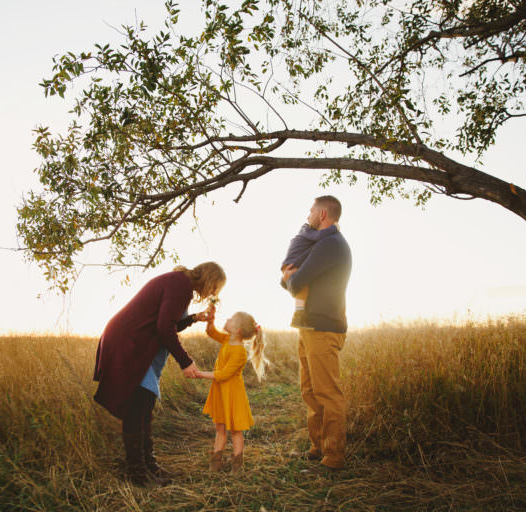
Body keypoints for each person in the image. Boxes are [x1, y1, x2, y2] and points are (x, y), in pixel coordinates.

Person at [93, 262, 226, 485]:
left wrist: (194, 318)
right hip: (130, 341)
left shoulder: (180, 284)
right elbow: (164, 327)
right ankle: (138, 474)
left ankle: (149, 467)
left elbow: (168, 323)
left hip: (136, 341)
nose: (212, 294)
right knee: (137, 408)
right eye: (215, 288)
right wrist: (186, 362)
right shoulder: (180, 284)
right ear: (210, 279)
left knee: (144, 407)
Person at [281, 195, 352, 470]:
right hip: (309, 326)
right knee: (310, 390)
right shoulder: (319, 243)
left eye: (311, 209)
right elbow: (286, 278)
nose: (308, 214)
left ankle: (334, 456)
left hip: (323, 327)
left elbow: (295, 281)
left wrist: (291, 279)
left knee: (327, 393)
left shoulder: (331, 244)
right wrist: (290, 279)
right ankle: (318, 446)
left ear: (322, 213)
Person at [197, 311, 267, 472]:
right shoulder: (227, 339)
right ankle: (215, 463)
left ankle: (237, 465)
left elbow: (223, 375)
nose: (227, 319)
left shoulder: (240, 352)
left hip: (233, 394)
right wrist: (211, 319)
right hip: (221, 393)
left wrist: (200, 374)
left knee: (236, 430)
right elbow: (211, 332)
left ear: (237, 330)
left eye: (231, 319)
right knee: (220, 428)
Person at [281, 220, 341, 328]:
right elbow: (319, 235)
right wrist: (334, 228)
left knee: (304, 286)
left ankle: (299, 313)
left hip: (292, 262)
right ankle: (298, 316)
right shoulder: (306, 230)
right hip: (292, 264)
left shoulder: (307, 234)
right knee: (303, 287)